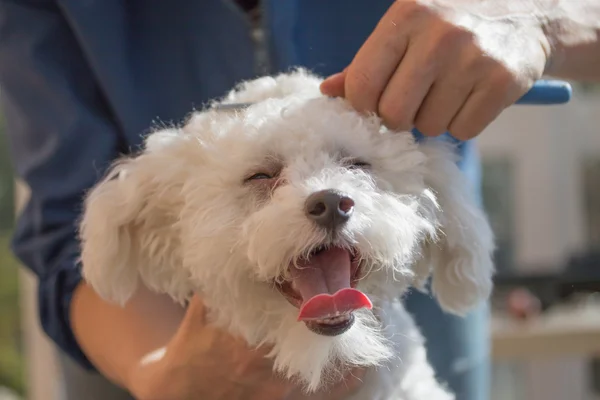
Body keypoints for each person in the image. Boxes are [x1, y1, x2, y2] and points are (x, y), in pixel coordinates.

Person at [0, 0, 598, 399]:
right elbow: (65, 223)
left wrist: (537, 19)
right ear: (165, 225)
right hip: (144, 352)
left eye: (356, 167)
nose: (329, 197)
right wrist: (161, 376)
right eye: (263, 180)